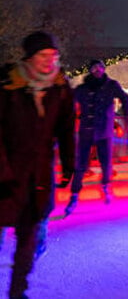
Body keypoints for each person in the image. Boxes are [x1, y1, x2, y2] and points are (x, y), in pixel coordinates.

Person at [0, 31, 76, 299]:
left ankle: (17, 292)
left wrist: (69, 164)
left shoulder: (60, 88)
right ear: (30, 57)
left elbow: (66, 129)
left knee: (28, 239)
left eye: (54, 55)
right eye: (44, 55)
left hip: (38, 176)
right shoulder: (8, 85)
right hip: (6, 174)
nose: (50, 61)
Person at [66, 59, 128, 214]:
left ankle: (106, 186)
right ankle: (74, 194)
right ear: (90, 70)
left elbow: (125, 97)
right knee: (81, 165)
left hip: (104, 131)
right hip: (86, 131)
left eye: (100, 67)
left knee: (106, 163)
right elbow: (69, 100)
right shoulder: (82, 88)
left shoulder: (111, 86)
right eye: (94, 68)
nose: (97, 70)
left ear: (104, 69)